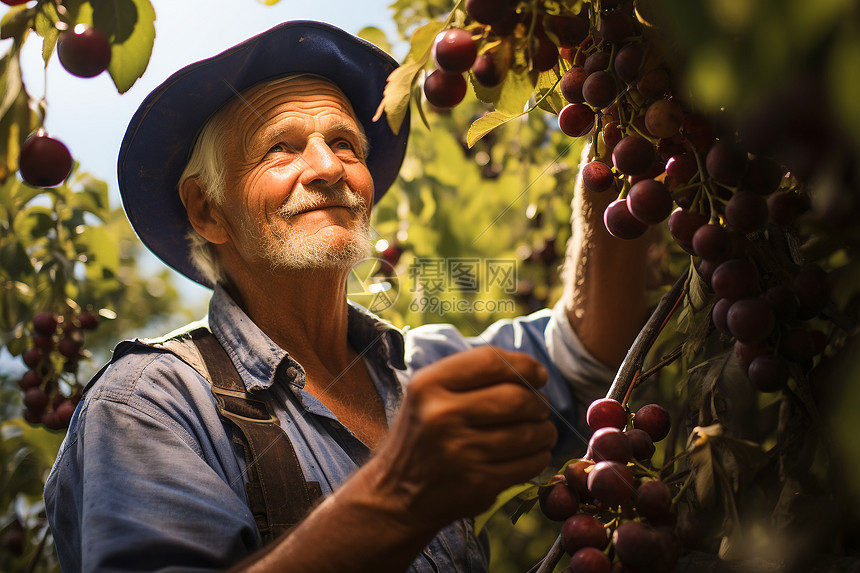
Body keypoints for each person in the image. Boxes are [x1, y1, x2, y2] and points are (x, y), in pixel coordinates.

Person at [44, 21, 650, 573]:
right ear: (207, 209)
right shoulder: (151, 405)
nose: (328, 167)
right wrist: (398, 495)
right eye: (280, 147)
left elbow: (587, 355)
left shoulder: (426, 371)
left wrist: (616, 149)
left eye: (346, 144)